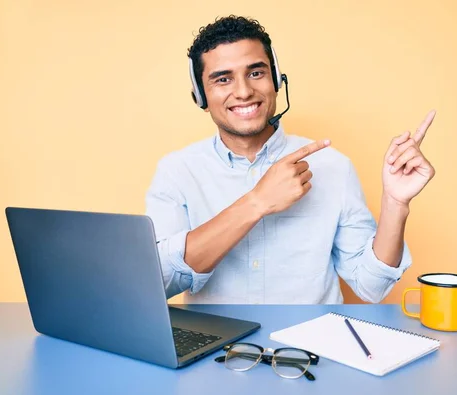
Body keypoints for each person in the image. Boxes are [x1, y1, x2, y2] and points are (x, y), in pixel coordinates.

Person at [146, 15, 436, 304]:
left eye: (256, 73)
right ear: (201, 97)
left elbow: (371, 287)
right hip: (219, 347)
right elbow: (160, 280)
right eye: (223, 79)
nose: (244, 91)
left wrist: (395, 204)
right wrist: (257, 202)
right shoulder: (176, 171)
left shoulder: (333, 166)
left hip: (310, 345)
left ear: (276, 80)